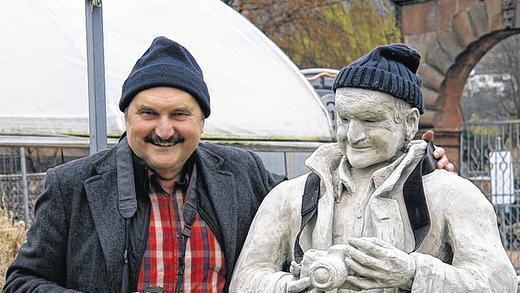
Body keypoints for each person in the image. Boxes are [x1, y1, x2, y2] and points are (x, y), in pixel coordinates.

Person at [4, 37, 450, 293]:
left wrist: (422, 169)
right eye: (148, 114)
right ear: (126, 117)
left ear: (201, 121)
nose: (164, 129)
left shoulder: (243, 174)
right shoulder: (74, 185)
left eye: (180, 114)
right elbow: (22, 283)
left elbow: (330, 191)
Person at [230, 44, 517, 293]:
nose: (353, 135)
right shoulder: (290, 197)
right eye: (344, 119)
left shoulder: (453, 196)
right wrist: (294, 285)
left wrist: (412, 273)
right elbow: (244, 280)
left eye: (370, 120)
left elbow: (499, 283)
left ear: (410, 122)